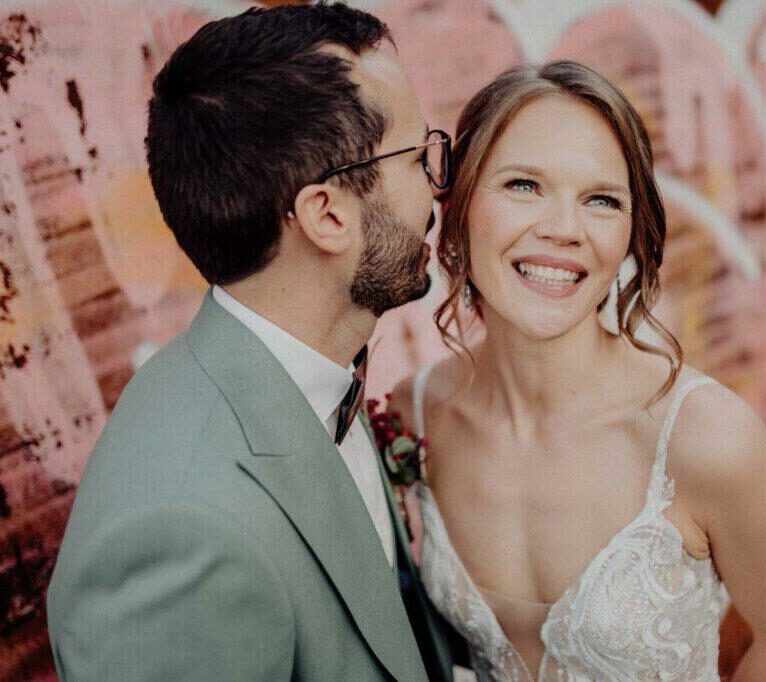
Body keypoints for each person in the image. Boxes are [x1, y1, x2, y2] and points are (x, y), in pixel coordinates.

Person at [46, 3, 457, 680]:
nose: (436, 190)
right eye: (417, 158)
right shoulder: (185, 539)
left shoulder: (304, 377)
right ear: (327, 215)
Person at [392, 61, 766, 681]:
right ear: (459, 204)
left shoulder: (707, 441)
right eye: (523, 185)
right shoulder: (413, 417)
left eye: (600, 200)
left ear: (630, 231)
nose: (564, 230)